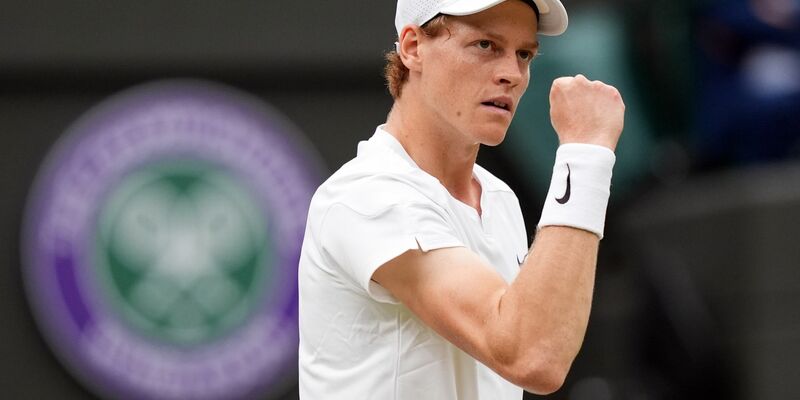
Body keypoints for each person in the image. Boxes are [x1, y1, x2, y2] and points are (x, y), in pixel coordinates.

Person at [298, 0, 625, 398]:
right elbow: (533, 356)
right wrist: (585, 152)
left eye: (524, 54)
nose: (512, 74)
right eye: (485, 45)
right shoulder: (367, 196)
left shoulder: (498, 198)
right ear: (413, 47)